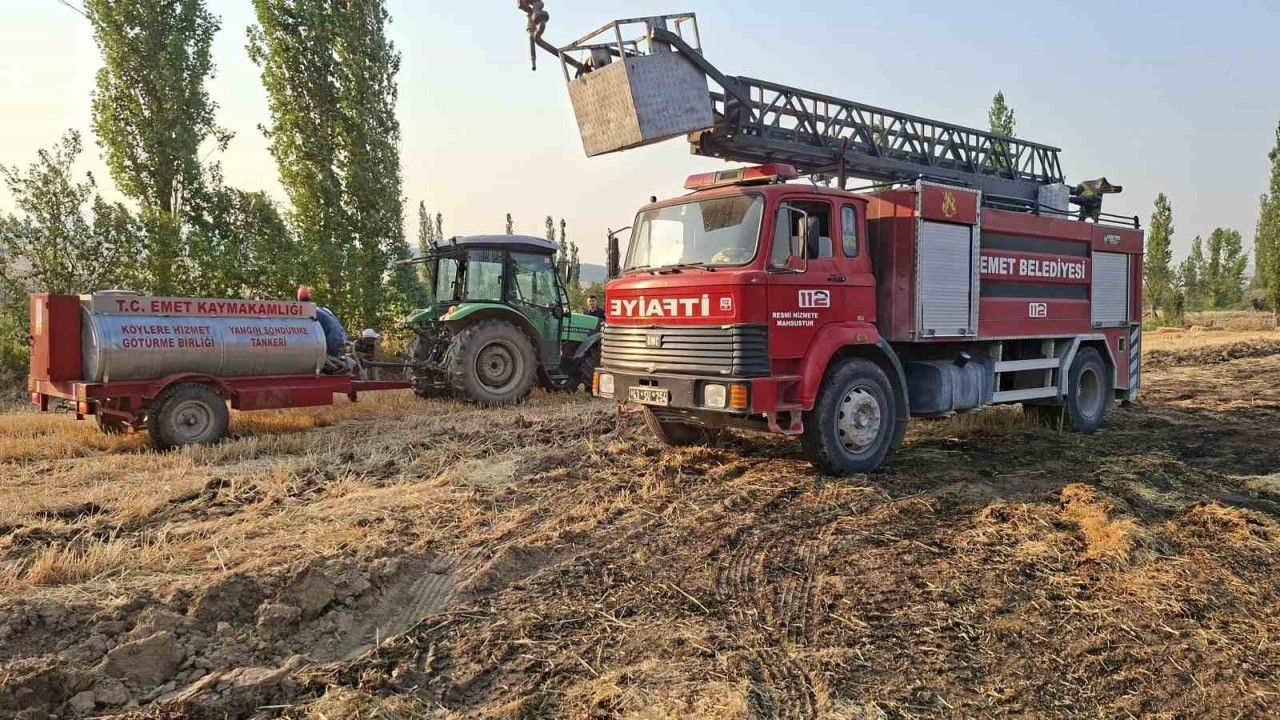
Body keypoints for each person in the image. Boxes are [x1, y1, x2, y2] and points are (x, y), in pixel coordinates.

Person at [297, 285, 346, 363]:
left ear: (299, 300)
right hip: (341, 337)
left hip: (332, 341)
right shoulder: (323, 310)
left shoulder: (308, 312)